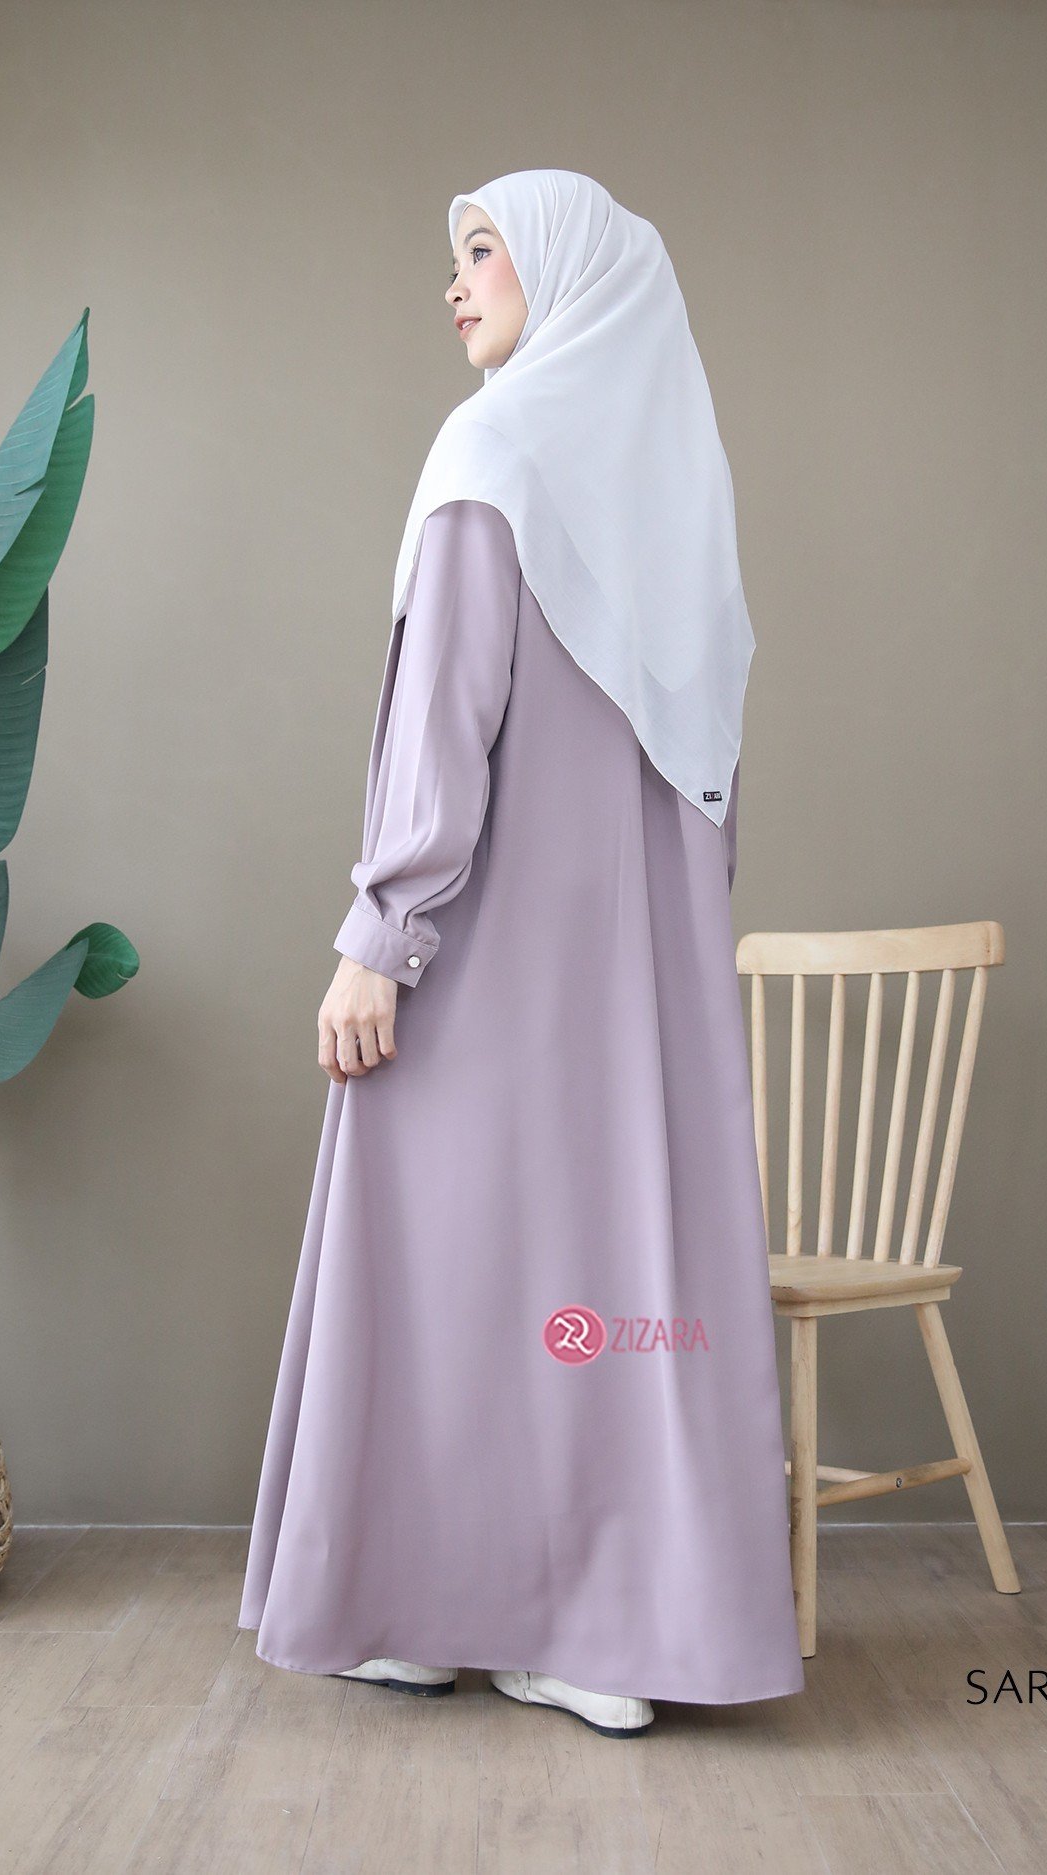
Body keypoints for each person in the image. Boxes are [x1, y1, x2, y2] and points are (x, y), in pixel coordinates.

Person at [238, 169, 804, 1740]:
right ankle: (603, 1636)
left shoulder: (489, 455)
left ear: (571, 274)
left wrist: (382, 934)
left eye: (483, 249)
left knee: (451, 1265)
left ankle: (430, 1606)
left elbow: (447, 716)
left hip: (478, 949)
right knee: (607, 1274)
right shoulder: (675, 500)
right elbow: (709, 785)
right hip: (636, 981)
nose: (456, 282)